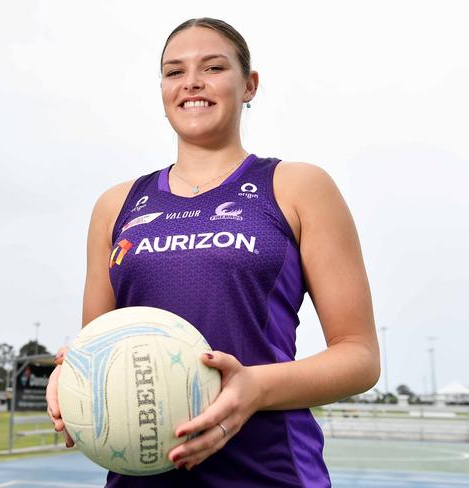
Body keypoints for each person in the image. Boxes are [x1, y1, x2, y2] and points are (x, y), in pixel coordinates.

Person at [46, 17, 380, 487]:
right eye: (174, 71)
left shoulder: (298, 186)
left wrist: (255, 389)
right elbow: (102, 346)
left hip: (270, 472)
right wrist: (70, 375)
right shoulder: (115, 206)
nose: (192, 83)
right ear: (162, 89)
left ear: (249, 85)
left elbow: (360, 356)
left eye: (214, 67)